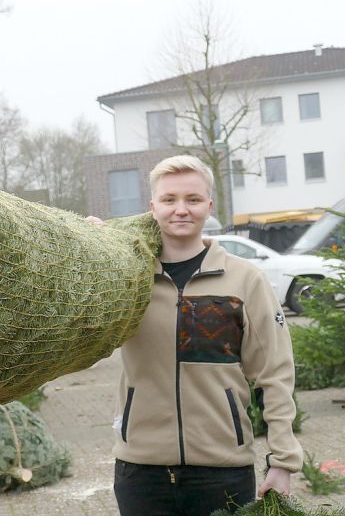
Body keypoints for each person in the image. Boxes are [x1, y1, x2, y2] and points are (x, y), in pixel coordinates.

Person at [105, 155, 303, 516]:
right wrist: (92, 248)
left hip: (222, 471)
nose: (181, 209)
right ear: (153, 207)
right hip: (140, 471)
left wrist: (283, 460)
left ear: (209, 206)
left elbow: (274, 374)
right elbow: (82, 330)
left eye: (193, 199)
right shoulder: (127, 280)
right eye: (169, 200)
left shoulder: (245, 280)